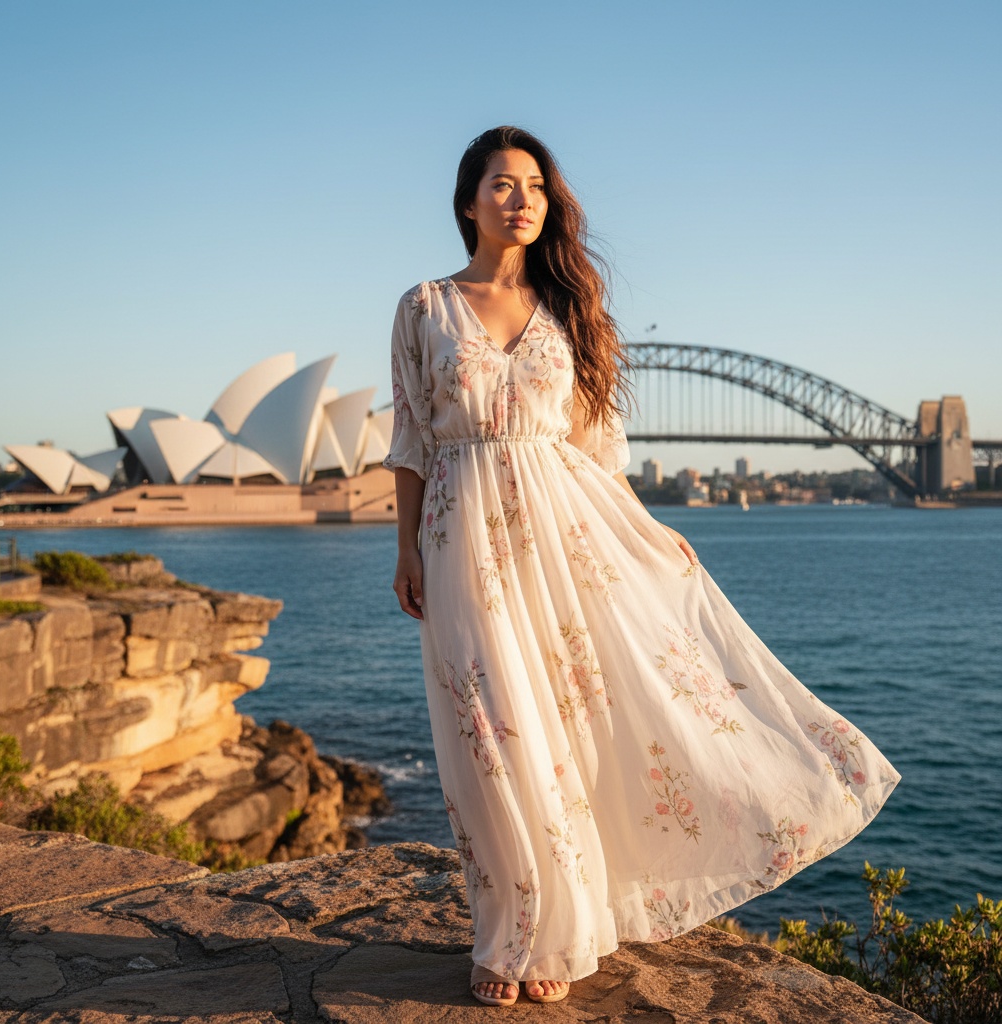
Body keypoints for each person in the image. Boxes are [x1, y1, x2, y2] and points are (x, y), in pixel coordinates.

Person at [384, 126, 899, 1007]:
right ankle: (509, 930)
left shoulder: (570, 313)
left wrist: (650, 533)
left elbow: (596, 452)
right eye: (503, 184)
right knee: (491, 734)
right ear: (468, 201)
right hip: (461, 536)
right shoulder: (424, 306)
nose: (522, 199)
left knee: (567, 726)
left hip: (565, 539)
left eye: (535, 185)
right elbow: (409, 439)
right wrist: (404, 548)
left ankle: (560, 928)